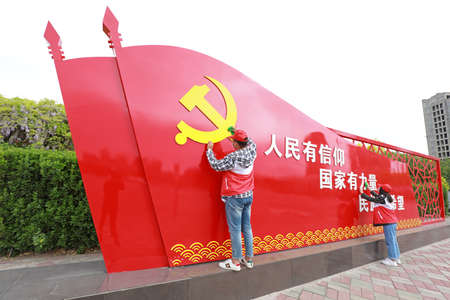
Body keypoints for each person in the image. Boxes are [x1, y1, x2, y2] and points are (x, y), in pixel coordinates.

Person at [206, 128, 257, 271]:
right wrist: (232, 132)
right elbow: (247, 139)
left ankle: (235, 262)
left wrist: (209, 150)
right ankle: (249, 260)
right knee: (247, 228)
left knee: (235, 230)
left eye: (233, 141)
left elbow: (216, 165)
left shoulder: (232, 157)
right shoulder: (252, 148)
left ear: (235, 144)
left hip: (235, 197)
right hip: (248, 195)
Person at [359, 183, 401, 266]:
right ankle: (396, 257)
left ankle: (392, 260)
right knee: (393, 240)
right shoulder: (387, 197)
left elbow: (371, 199)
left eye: (380, 188)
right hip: (392, 222)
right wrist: (369, 189)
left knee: (390, 241)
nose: (378, 188)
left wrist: (361, 193)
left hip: (389, 223)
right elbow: (376, 196)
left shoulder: (383, 199)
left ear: (382, 190)